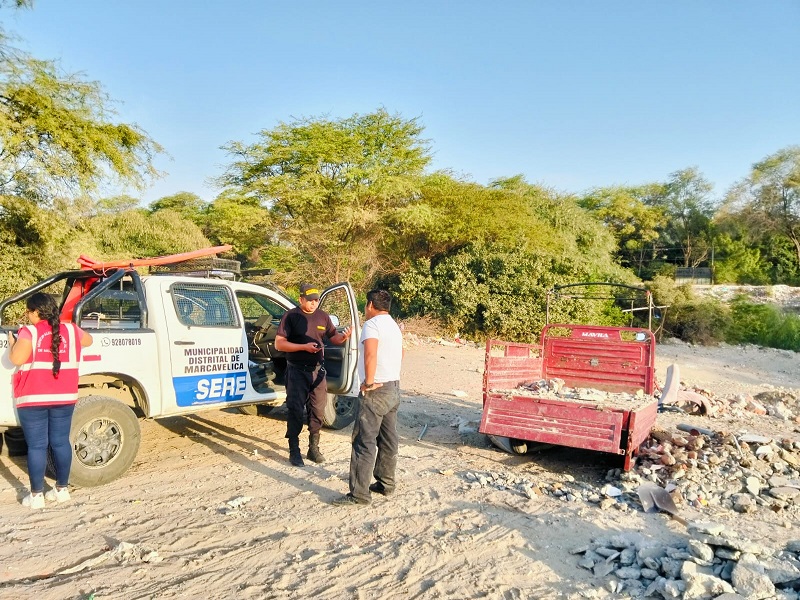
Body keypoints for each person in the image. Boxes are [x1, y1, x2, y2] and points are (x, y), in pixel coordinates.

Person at [7, 293, 93, 509]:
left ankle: (36, 497)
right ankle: (62, 490)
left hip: (33, 398)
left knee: (37, 446)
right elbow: (89, 341)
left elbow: (17, 359)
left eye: (28, 312)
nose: (27, 316)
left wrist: (12, 344)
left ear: (36, 312)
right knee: (60, 442)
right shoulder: (71, 330)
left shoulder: (29, 332)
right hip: (64, 396)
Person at [333, 289, 403, 507]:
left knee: (364, 441)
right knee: (388, 438)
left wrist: (369, 382)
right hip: (393, 387)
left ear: (371, 304)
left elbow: (370, 353)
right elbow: (400, 354)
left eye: (366, 305)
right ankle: (386, 483)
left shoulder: (372, 326)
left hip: (376, 390)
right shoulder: (393, 325)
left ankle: (359, 494)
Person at [274, 283, 352, 467]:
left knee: (318, 410)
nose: (313, 303)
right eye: (309, 300)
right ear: (301, 299)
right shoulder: (291, 316)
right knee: (294, 410)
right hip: (296, 371)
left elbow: (333, 337)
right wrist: (303, 347)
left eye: (316, 300)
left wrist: (344, 338)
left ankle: (313, 448)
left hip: (317, 371)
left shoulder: (323, 316)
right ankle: (294, 450)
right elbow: (279, 344)